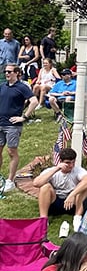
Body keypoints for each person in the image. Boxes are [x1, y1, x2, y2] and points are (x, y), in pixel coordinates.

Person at [0, 63, 38, 193]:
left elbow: (34, 101)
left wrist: (24, 117)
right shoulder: (2, 86)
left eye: (9, 72)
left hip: (12, 126)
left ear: (17, 73)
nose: (7, 74)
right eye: (5, 71)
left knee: (11, 152)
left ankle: (10, 180)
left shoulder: (22, 87)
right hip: (0, 123)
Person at [35, 147, 87, 226]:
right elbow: (36, 183)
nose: (71, 165)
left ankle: (77, 217)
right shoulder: (52, 171)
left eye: (73, 162)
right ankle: (43, 219)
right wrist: (56, 169)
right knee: (45, 187)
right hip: (55, 201)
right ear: (61, 162)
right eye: (68, 163)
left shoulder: (78, 170)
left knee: (84, 187)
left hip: (73, 203)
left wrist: (72, 195)